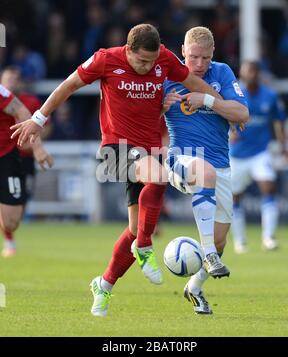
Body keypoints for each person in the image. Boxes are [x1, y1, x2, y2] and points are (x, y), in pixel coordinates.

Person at [10, 24, 222, 317]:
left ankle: (104, 285)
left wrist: (224, 106)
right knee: (158, 178)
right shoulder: (105, 59)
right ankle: (145, 249)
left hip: (146, 151)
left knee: (135, 228)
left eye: (152, 61)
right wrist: (38, 118)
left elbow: (196, 84)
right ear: (128, 49)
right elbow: (68, 85)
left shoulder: (165, 59)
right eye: (141, 61)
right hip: (116, 148)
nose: (148, 67)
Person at [163, 26, 249, 314]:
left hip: (221, 163)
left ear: (213, 55)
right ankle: (208, 254)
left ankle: (194, 287)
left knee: (222, 238)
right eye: (193, 57)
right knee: (205, 172)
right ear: (183, 51)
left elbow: (242, 114)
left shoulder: (221, 73)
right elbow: (140, 117)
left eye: (205, 58)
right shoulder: (167, 74)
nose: (199, 65)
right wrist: (160, 108)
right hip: (181, 158)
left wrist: (208, 100)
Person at [229, 61, 288, 254]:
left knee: (268, 187)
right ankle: (240, 241)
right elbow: (222, 115)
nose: (251, 74)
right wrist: (229, 131)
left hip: (260, 152)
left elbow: (278, 122)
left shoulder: (269, 95)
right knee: (234, 197)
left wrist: (283, 146)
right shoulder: (235, 94)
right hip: (237, 154)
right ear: (243, 74)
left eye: (254, 70)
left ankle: (269, 237)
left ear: (259, 73)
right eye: (248, 71)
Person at [0, 83, 53, 257]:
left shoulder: (2, 93)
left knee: (11, 222)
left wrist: (37, 148)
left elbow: (23, 113)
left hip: (6, 156)